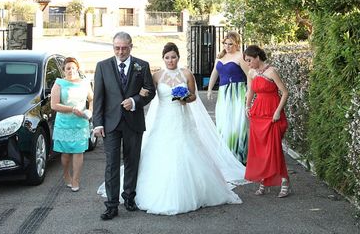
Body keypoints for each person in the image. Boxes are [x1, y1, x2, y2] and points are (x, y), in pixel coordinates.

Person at [98, 42, 245, 215]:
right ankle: (128, 196)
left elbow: (193, 97)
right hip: (163, 119)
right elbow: (147, 92)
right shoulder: (156, 76)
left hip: (182, 119)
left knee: (186, 151)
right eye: (167, 57)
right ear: (163, 58)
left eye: (173, 57)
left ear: (178, 57)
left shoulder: (187, 73)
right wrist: (135, 99)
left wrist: (185, 98)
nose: (170, 60)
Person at [92, 32, 156, 221]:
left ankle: (129, 197)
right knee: (111, 164)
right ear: (113, 47)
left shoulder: (141, 66)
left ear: (131, 47)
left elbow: (150, 91)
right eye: (117, 48)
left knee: (132, 161)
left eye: (124, 48)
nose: (120, 51)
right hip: (110, 123)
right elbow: (98, 98)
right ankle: (111, 205)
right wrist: (97, 123)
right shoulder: (102, 66)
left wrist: (135, 101)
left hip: (133, 123)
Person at [243, 45, 290, 198]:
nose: (248, 64)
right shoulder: (251, 72)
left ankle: (284, 181)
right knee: (259, 149)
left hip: (272, 114)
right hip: (257, 114)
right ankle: (263, 180)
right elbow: (250, 91)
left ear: (257, 57)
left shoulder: (271, 71)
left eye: (250, 60)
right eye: (246, 61)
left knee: (274, 148)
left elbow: (285, 92)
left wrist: (277, 112)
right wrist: (247, 106)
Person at [50, 56, 93, 192]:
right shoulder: (59, 84)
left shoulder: (85, 83)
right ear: (64, 70)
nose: (71, 70)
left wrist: (89, 111)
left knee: (79, 151)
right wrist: (72, 109)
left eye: (73, 68)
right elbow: (54, 105)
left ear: (77, 69)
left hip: (81, 122)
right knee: (66, 153)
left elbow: (92, 99)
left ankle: (76, 179)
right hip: (64, 123)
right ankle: (66, 174)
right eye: (68, 68)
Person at [206, 31, 249, 164]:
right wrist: (209, 89)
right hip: (223, 93)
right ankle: (226, 154)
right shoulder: (220, 56)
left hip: (237, 92)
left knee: (237, 122)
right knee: (224, 121)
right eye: (225, 43)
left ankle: (240, 156)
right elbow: (214, 73)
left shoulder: (240, 56)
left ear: (237, 44)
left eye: (231, 44)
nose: (227, 46)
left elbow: (250, 75)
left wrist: (249, 91)